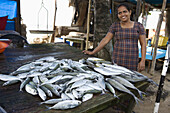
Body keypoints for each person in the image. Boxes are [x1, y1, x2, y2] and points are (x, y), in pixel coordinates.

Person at [83, 3, 146, 72]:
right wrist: (93, 52)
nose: (122, 15)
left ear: (130, 12)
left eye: (125, 12)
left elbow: (143, 44)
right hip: (118, 60)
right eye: (120, 13)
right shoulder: (115, 26)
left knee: (130, 79)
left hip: (132, 61)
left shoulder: (139, 26)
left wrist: (142, 60)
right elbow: (105, 40)